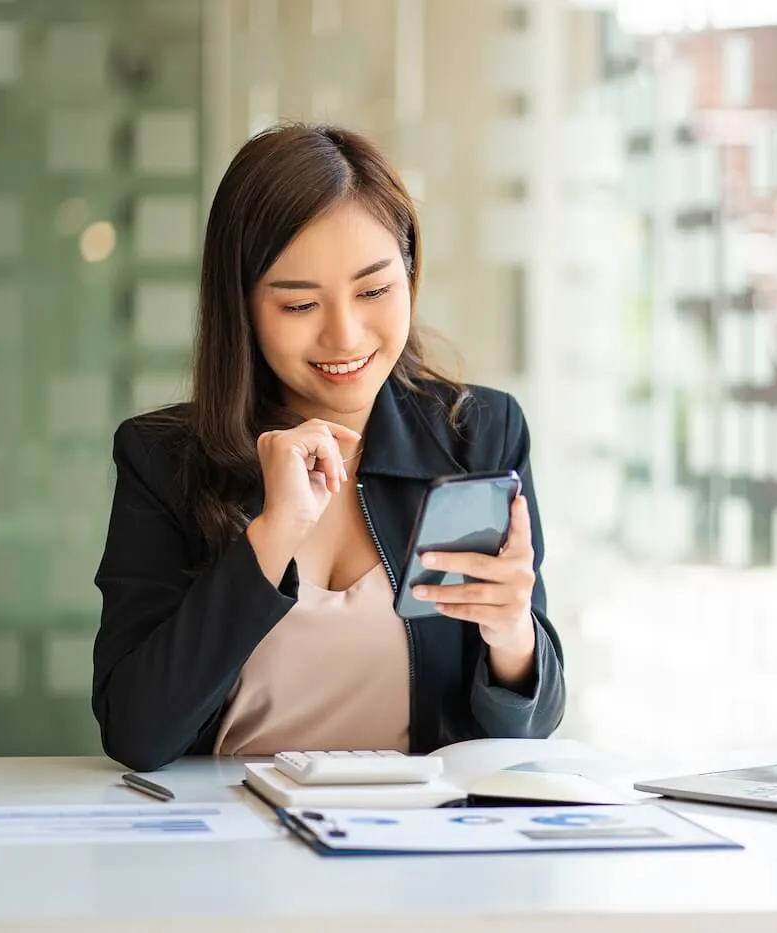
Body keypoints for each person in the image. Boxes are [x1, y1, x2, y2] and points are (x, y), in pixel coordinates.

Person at [91, 123, 565, 772]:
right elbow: (137, 731)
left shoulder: (478, 433)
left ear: (410, 273)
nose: (344, 335)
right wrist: (271, 536)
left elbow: (521, 739)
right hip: (227, 848)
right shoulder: (163, 460)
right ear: (244, 307)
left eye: (373, 290)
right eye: (298, 304)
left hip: (420, 849)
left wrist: (512, 633)